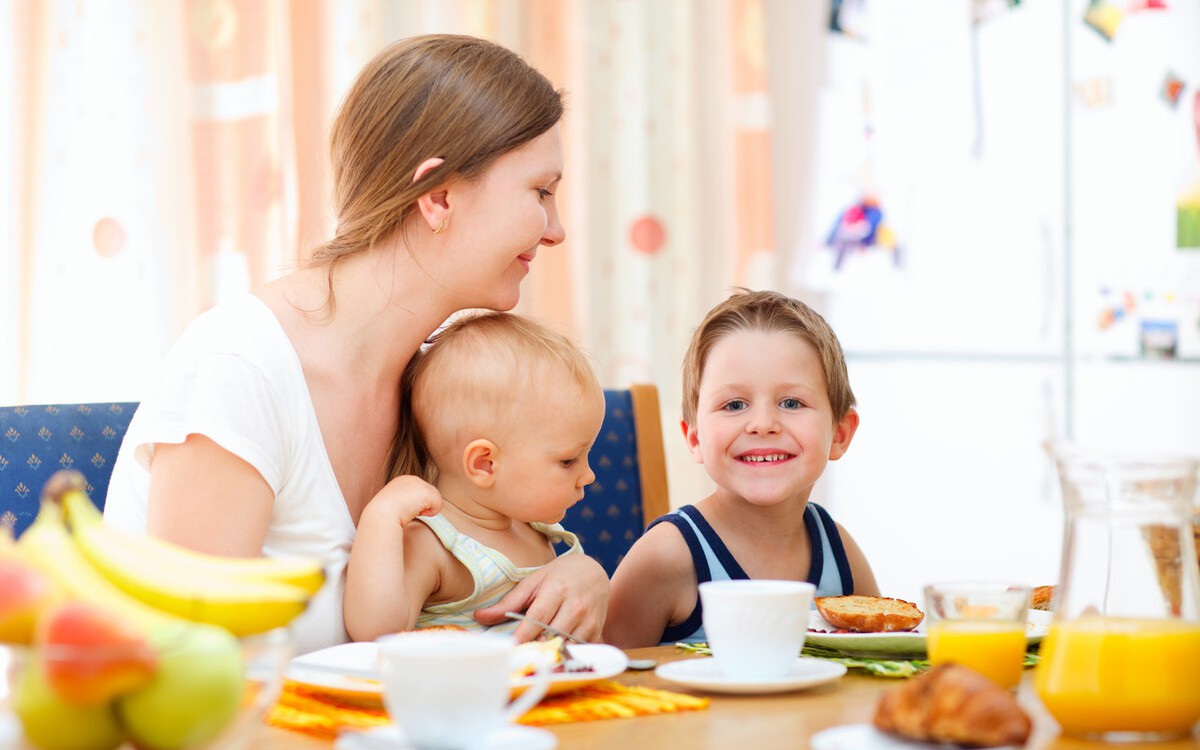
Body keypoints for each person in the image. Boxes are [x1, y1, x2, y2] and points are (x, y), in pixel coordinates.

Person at [102, 34, 609, 655]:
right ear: (439, 195)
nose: (556, 231)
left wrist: (578, 576)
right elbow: (190, 674)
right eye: (540, 192)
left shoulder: (443, 386)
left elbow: (482, 559)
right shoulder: (238, 369)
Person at [603, 288, 880, 648]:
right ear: (695, 438)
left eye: (792, 402)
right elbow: (605, 682)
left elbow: (882, 660)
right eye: (734, 405)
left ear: (840, 434)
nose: (762, 423)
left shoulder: (840, 552)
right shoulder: (666, 557)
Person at [343, 311, 606, 641]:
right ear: (484, 464)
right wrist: (380, 519)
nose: (589, 476)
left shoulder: (536, 532)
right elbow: (376, 633)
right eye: (569, 460)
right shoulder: (434, 542)